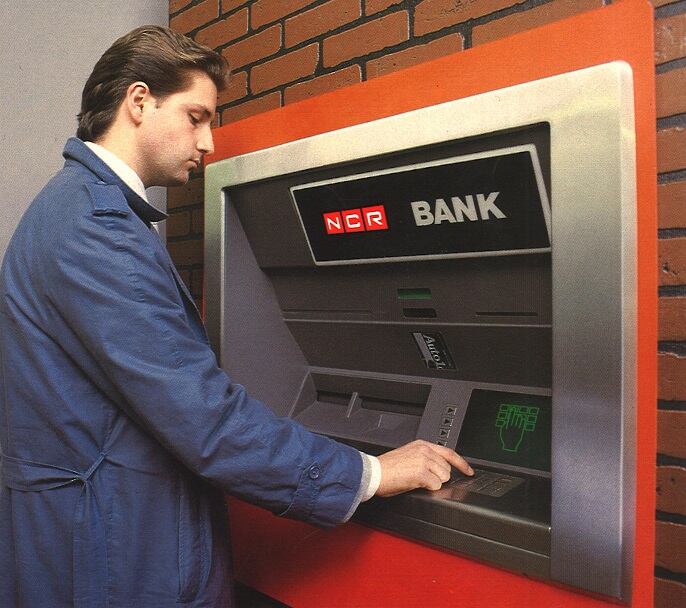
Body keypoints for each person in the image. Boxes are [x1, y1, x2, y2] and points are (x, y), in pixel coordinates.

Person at [0, 26, 473, 607]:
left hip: (103, 536)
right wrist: (370, 474)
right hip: (117, 557)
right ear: (139, 102)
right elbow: (204, 418)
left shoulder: (76, 211)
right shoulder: (98, 231)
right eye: (196, 117)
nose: (208, 143)